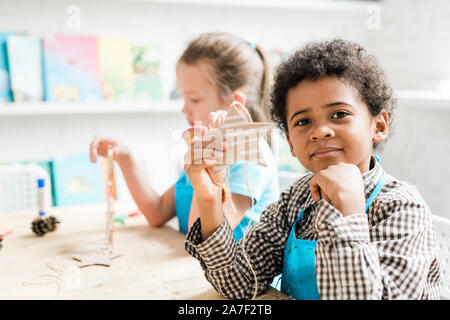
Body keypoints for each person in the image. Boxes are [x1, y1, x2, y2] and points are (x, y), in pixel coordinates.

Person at [183, 39, 441, 300]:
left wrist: (349, 214)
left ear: (379, 126)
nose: (320, 131)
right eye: (303, 121)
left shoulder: (402, 207)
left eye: (339, 114)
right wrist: (209, 199)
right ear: (291, 145)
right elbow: (240, 284)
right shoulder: (295, 199)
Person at [89, 32, 279, 241]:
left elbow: (207, 241)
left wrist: (207, 168)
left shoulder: (249, 156)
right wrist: (125, 159)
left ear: (234, 103)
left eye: (194, 99)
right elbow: (157, 212)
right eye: (184, 97)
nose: (184, 109)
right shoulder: (206, 150)